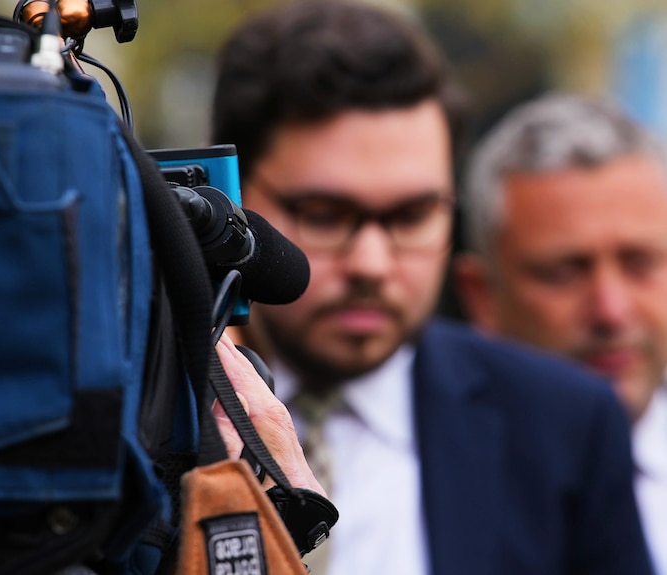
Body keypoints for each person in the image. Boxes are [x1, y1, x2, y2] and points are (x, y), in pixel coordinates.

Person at [211, 1, 653, 574]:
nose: (372, 262)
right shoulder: (140, 415)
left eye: (413, 215)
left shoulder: (568, 429)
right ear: (225, 193)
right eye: (323, 214)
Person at [454, 92, 667, 574]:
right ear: (481, 295)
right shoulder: (429, 478)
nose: (610, 311)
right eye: (563, 272)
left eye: (640, 264)